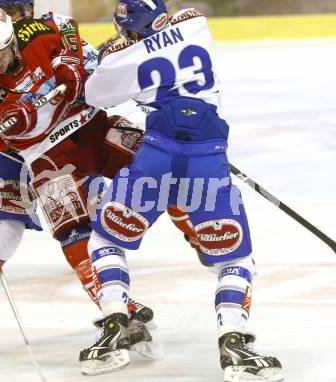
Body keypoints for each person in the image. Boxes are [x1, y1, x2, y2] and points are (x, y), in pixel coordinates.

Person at [78, 1, 283, 381]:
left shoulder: (122, 59)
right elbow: (174, 28)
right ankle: (234, 341)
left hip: (155, 157)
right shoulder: (195, 23)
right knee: (235, 260)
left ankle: (113, 326)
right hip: (208, 157)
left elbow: (92, 95)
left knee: (105, 242)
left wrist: (113, 54)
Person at [0, 3, 159, 358]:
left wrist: (70, 61)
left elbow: (67, 31)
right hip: (34, 156)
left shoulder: (32, 31)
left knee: (157, 162)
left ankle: (202, 244)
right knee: (13, 233)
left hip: (86, 127)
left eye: (1, 52)